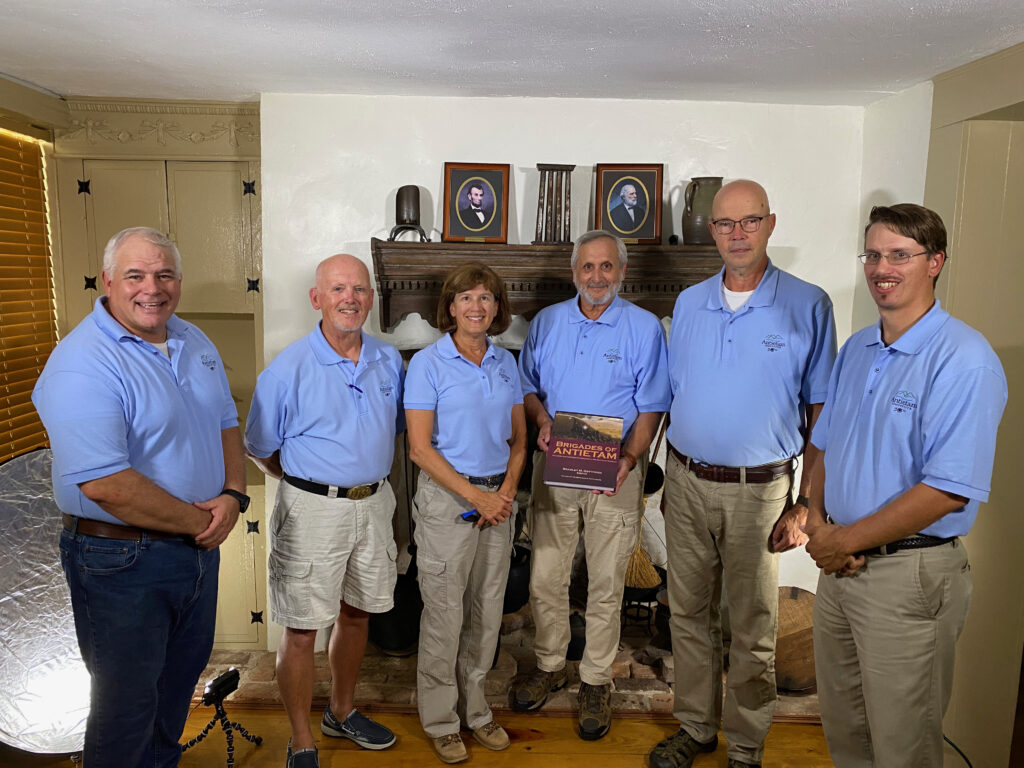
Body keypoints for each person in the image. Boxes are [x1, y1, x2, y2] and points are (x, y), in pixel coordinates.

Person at [32, 226, 246, 768]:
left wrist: (233, 494)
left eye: (165, 274)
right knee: (125, 709)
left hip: (195, 550)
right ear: (107, 281)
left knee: (174, 692)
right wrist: (202, 523)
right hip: (120, 559)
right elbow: (105, 483)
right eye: (136, 275)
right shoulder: (82, 361)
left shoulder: (193, 340)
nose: (152, 287)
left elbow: (225, 420)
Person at [804, 204, 1006, 767]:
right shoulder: (858, 349)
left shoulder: (964, 359)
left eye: (899, 255)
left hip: (908, 575)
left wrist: (844, 540)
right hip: (840, 568)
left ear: (935, 262)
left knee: (903, 749)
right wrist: (816, 519)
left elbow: (948, 489)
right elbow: (827, 443)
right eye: (872, 255)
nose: (881, 268)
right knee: (847, 736)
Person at [650, 180, 837, 768]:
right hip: (684, 480)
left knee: (753, 625)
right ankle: (696, 726)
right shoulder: (689, 303)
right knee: (688, 615)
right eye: (726, 223)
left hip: (759, 491)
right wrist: (665, 478)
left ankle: (748, 745)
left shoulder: (808, 304)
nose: (737, 234)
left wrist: (806, 503)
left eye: (749, 221)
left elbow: (822, 412)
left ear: (770, 224)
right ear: (712, 231)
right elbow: (676, 395)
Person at [244, 254, 404, 768]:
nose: (349, 298)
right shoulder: (286, 369)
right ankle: (301, 739)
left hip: (374, 504)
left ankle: (341, 711)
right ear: (317, 298)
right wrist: (308, 479)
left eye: (359, 289)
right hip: (312, 510)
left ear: (370, 298)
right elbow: (260, 447)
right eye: (338, 289)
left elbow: (394, 430)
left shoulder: (389, 360)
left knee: (357, 614)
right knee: (301, 628)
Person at [512, 229, 670, 741]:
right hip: (556, 464)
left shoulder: (644, 328)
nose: (597, 276)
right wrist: (541, 421)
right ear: (574, 272)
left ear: (622, 271)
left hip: (615, 468)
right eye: (588, 266)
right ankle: (550, 663)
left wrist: (629, 458)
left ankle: (596, 679)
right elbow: (527, 386)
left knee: (606, 583)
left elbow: (652, 405)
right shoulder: (547, 322)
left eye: (606, 266)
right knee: (546, 576)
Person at [404, 262, 527, 764]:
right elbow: (419, 449)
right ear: (451, 307)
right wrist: (477, 498)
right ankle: (441, 720)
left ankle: (476, 711)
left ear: (497, 308)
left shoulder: (505, 363)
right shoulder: (428, 364)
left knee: (486, 611)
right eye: (466, 297)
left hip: (499, 503)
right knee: (444, 614)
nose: (477, 306)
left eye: (486, 297)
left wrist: (506, 494)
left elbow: (519, 440)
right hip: (449, 501)